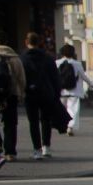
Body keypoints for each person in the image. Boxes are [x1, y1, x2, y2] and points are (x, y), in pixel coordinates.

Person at [21, 31, 63, 159]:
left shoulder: (22, 58)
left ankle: (36, 150)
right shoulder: (48, 57)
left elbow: (20, 77)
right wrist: (56, 93)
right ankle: (46, 147)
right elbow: (55, 77)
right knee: (46, 120)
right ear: (39, 42)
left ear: (26, 42)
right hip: (46, 92)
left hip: (30, 93)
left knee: (33, 122)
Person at [0, 33, 24, 171]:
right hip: (11, 95)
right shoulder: (15, 58)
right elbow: (21, 78)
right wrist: (21, 93)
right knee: (10, 124)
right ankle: (10, 153)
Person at [57, 43, 92, 135]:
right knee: (73, 110)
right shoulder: (77, 64)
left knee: (62, 109)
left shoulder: (57, 63)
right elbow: (83, 76)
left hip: (61, 91)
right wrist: (90, 83)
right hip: (74, 91)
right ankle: (70, 126)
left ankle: (62, 125)